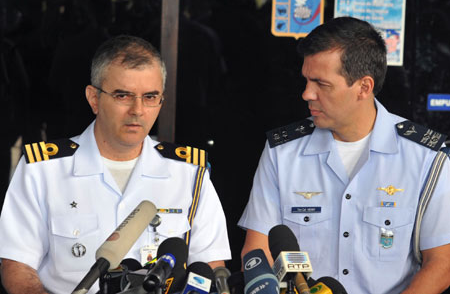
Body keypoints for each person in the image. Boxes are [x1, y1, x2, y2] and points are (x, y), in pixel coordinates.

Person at [0, 35, 231, 294]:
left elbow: (209, 267)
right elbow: (17, 267)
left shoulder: (189, 175)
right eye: (123, 95)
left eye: (150, 97)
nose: (137, 110)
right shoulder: (42, 170)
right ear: (94, 98)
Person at [238, 17, 450, 293]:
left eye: (321, 84)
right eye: (306, 80)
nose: (306, 94)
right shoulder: (282, 151)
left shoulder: (426, 159)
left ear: (364, 87)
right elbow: (257, 250)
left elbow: (442, 264)